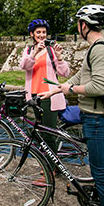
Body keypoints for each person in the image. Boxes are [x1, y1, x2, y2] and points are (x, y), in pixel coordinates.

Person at [40, 5, 104, 206]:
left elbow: (98, 87)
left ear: (84, 25)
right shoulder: (95, 48)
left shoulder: (99, 50)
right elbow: (81, 76)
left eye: (78, 23)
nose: (78, 27)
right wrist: (55, 89)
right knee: (100, 172)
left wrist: (71, 89)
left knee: (101, 174)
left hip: (97, 118)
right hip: (91, 115)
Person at [19, 19, 70, 150]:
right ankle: (46, 162)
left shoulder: (51, 49)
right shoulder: (29, 50)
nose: (41, 35)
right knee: (40, 131)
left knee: (49, 134)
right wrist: (35, 52)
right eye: (38, 32)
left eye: (44, 32)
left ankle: (52, 168)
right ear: (32, 34)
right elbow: (24, 66)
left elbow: (65, 73)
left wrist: (59, 57)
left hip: (49, 95)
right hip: (34, 95)